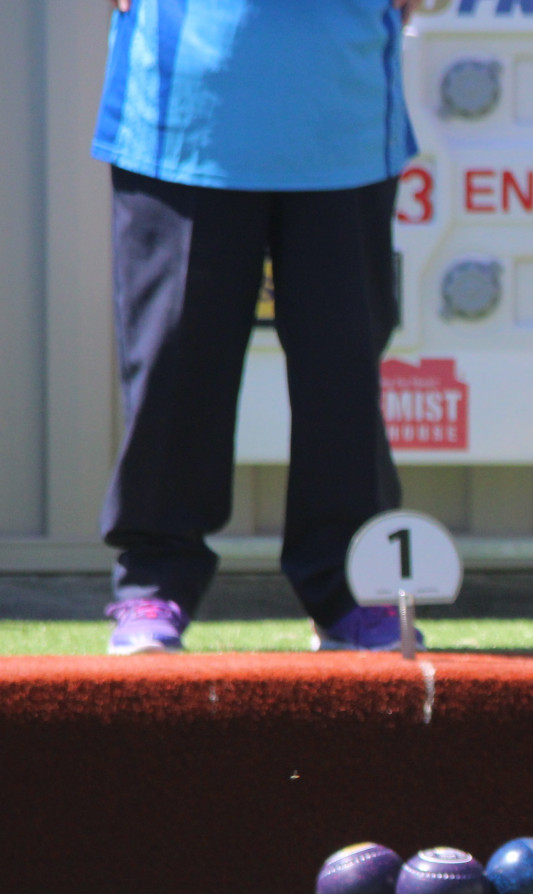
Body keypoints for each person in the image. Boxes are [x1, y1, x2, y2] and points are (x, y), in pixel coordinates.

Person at [93, 0, 417, 655]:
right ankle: (153, 582)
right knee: (175, 364)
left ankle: (349, 588)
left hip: (341, 108)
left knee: (342, 370)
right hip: (183, 109)